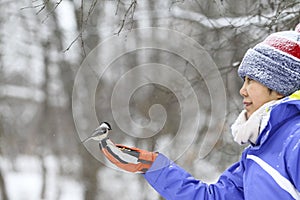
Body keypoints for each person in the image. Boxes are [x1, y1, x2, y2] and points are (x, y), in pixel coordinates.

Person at [97, 24, 300, 199]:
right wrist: (151, 166)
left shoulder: (295, 141)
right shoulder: (259, 151)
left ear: (277, 85)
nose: (242, 90)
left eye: (251, 80)